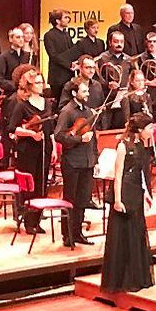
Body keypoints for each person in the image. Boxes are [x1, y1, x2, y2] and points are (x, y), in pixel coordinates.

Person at [101, 112, 156, 293]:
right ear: (140, 129)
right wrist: (117, 199)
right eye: (149, 127)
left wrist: (146, 192)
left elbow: (141, 172)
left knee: (136, 232)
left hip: (136, 192)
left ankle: (136, 276)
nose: (152, 131)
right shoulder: (123, 146)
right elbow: (118, 175)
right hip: (124, 192)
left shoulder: (142, 145)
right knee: (122, 235)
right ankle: (121, 279)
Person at [9, 68, 55, 233]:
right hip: (28, 149)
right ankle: (29, 222)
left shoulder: (48, 103)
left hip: (45, 147)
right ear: (29, 85)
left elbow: (50, 128)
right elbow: (13, 129)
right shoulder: (22, 105)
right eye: (36, 83)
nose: (40, 85)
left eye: (41, 82)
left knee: (42, 183)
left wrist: (54, 147)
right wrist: (31, 134)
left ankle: (37, 220)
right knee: (30, 185)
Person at [54, 78, 98, 247]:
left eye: (88, 91)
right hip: (72, 162)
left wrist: (95, 158)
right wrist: (80, 139)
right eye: (84, 91)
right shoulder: (67, 111)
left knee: (83, 199)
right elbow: (59, 135)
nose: (88, 94)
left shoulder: (88, 112)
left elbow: (93, 137)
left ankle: (78, 232)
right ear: (74, 93)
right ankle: (68, 235)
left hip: (87, 162)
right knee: (70, 199)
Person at [43, 8, 74, 102]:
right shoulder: (49, 35)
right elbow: (53, 55)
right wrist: (69, 65)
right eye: (65, 17)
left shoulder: (67, 34)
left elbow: (71, 51)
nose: (68, 20)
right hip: (57, 77)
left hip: (69, 75)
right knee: (57, 103)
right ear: (57, 20)